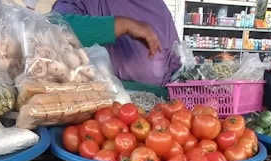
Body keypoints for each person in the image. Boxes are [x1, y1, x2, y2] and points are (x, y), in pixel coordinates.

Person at [51, 0, 181, 92]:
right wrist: (122, 25)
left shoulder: (158, 7)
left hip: (158, 109)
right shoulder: (83, 3)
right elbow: (56, 27)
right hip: (102, 104)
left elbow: (175, 62)